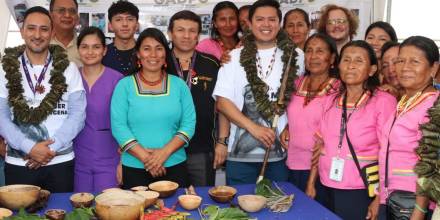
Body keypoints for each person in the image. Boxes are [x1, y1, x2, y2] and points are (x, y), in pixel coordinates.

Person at [213, 0, 301, 185]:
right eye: (260, 19)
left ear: (279, 23)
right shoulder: (234, 57)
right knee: (240, 209)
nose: (266, 24)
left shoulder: (297, 56)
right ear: (250, 24)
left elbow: (303, 100)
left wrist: (291, 127)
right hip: (239, 157)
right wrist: (254, 128)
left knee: (278, 209)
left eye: (272, 19)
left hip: (281, 156)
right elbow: (223, 102)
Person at [306, 41, 396, 219]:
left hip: (361, 189)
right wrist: (311, 183)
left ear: (371, 70)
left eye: (358, 61)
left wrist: (380, 199)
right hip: (325, 184)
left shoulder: (383, 101)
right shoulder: (330, 100)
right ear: (338, 65)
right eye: (346, 60)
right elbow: (319, 144)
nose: (351, 65)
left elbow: (390, 154)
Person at [0, 6, 86, 192]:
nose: (37, 35)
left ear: (52, 32)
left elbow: (77, 115)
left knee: (61, 213)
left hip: (60, 160)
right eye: (31, 28)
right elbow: (1, 116)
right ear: (22, 32)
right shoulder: (4, 69)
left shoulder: (69, 68)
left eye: (44, 29)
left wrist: (49, 150)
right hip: (19, 161)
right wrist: (29, 147)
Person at [111, 28, 196, 189]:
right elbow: (119, 127)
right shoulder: (124, 85)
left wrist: (162, 155)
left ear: (166, 54)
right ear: (138, 54)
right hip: (135, 167)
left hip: (174, 164)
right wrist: (148, 159)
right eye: (146, 49)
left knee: (175, 213)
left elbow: (188, 125)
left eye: (159, 48)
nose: (153, 55)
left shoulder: (179, 85)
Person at [377, 36, 439, 220]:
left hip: (413, 202)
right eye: (400, 60)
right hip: (394, 195)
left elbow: (430, 164)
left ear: (433, 68)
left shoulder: (434, 106)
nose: (404, 68)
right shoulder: (405, 101)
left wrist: (419, 212)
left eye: (415, 62)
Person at [166, 10, 224, 186]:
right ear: (170, 33)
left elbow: (223, 105)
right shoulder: (159, 62)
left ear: (198, 35)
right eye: (180, 30)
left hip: (202, 148)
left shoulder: (213, 63)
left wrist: (222, 142)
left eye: (192, 31)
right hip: (165, 149)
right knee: (168, 203)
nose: (186, 36)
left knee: (202, 201)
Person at [280, 33, 339, 197]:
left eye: (320, 51)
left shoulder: (338, 89)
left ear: (332, 58)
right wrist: (287, 127)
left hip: (320, 168)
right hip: (292, 163)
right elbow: (299, 114)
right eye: (309, 51)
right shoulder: (297, 83)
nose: (313, 56)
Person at [73, 27, 123, 192]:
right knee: (80, 211)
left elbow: (126, 123)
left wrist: (123, 162)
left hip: (110, 160)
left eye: (96, 47)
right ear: (78, 49)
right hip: (77, 160)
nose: (90, 52)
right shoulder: (70, 79)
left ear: (104, 50)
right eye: (84, 46)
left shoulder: (118, 80)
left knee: (108, 209)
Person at [102, 0, 139, 75]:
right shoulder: (102, 54)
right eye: (118, 19)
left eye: (130, 19)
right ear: (110, 26)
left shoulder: (146, 53)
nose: (125, 24)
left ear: (137, 25)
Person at [49, 0, 82, 67]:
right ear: (51, 15)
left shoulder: (86, 46)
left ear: (77, 17)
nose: (67, 15)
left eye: (72, 11)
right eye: (61, 10)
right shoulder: (42, 45)